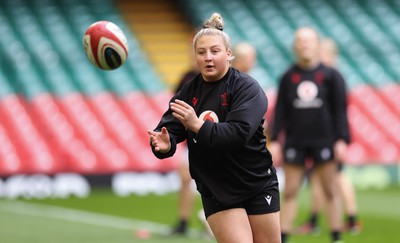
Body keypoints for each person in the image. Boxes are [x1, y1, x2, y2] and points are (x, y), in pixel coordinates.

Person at [148, 13, 281, 243]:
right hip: (216, 188)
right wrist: (164, 145)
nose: (208, 58)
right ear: (195, 56)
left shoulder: (247, 88)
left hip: (256, 182)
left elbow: (239, 134)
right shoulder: (189, 91)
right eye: (201, 52)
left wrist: (197, 125)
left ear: (229, 54)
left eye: (215, 51)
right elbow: (168, 130)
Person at [269, 27, 350, 243]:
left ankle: (336, 237)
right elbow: (280, 112)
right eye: (300, 41)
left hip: (324, 141)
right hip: (295, 141)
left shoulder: (332, 75)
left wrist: (342, 139)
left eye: (309, 40)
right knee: (291, 192)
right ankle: (283, 237)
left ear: (317, 44)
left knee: (330, 191)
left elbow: (340, 111)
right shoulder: (288, 76)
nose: (304, 44)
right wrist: (276, 139)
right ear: (295, 46)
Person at [295, 38, 361, 235]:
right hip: (328, 135)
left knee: (335, 178)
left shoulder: (331, 76)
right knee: (324, 178)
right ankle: (329, 219)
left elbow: (336, 110)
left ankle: (348, 219)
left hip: (328, 135)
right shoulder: (330, 76)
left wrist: (339, 137)